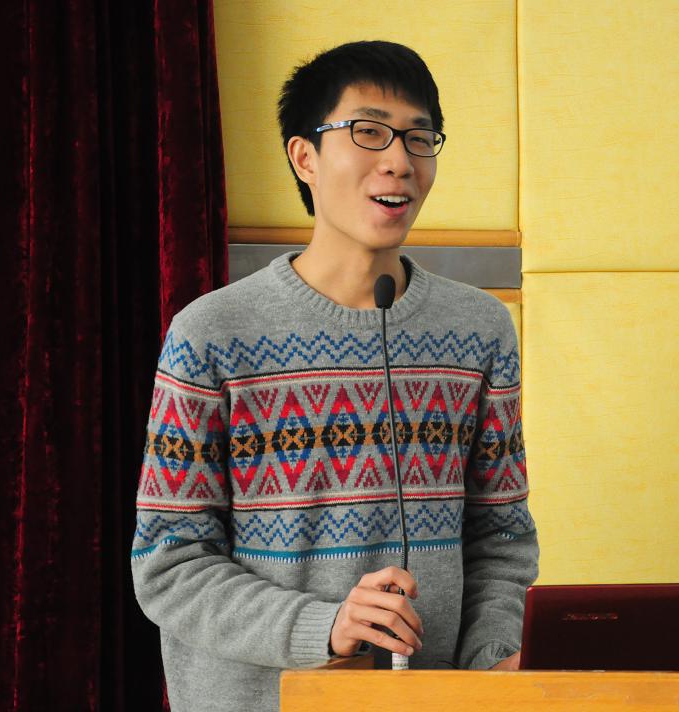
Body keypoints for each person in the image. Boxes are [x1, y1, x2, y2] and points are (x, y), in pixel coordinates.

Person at [131, 40, 539, 711]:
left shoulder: (479, 330)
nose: (400, 160)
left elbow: (502, 539)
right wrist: (325, 628)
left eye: (419, 138)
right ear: (305, 157)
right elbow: (168, 564)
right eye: (369, 131)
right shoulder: (211, 334)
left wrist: (490, 662)